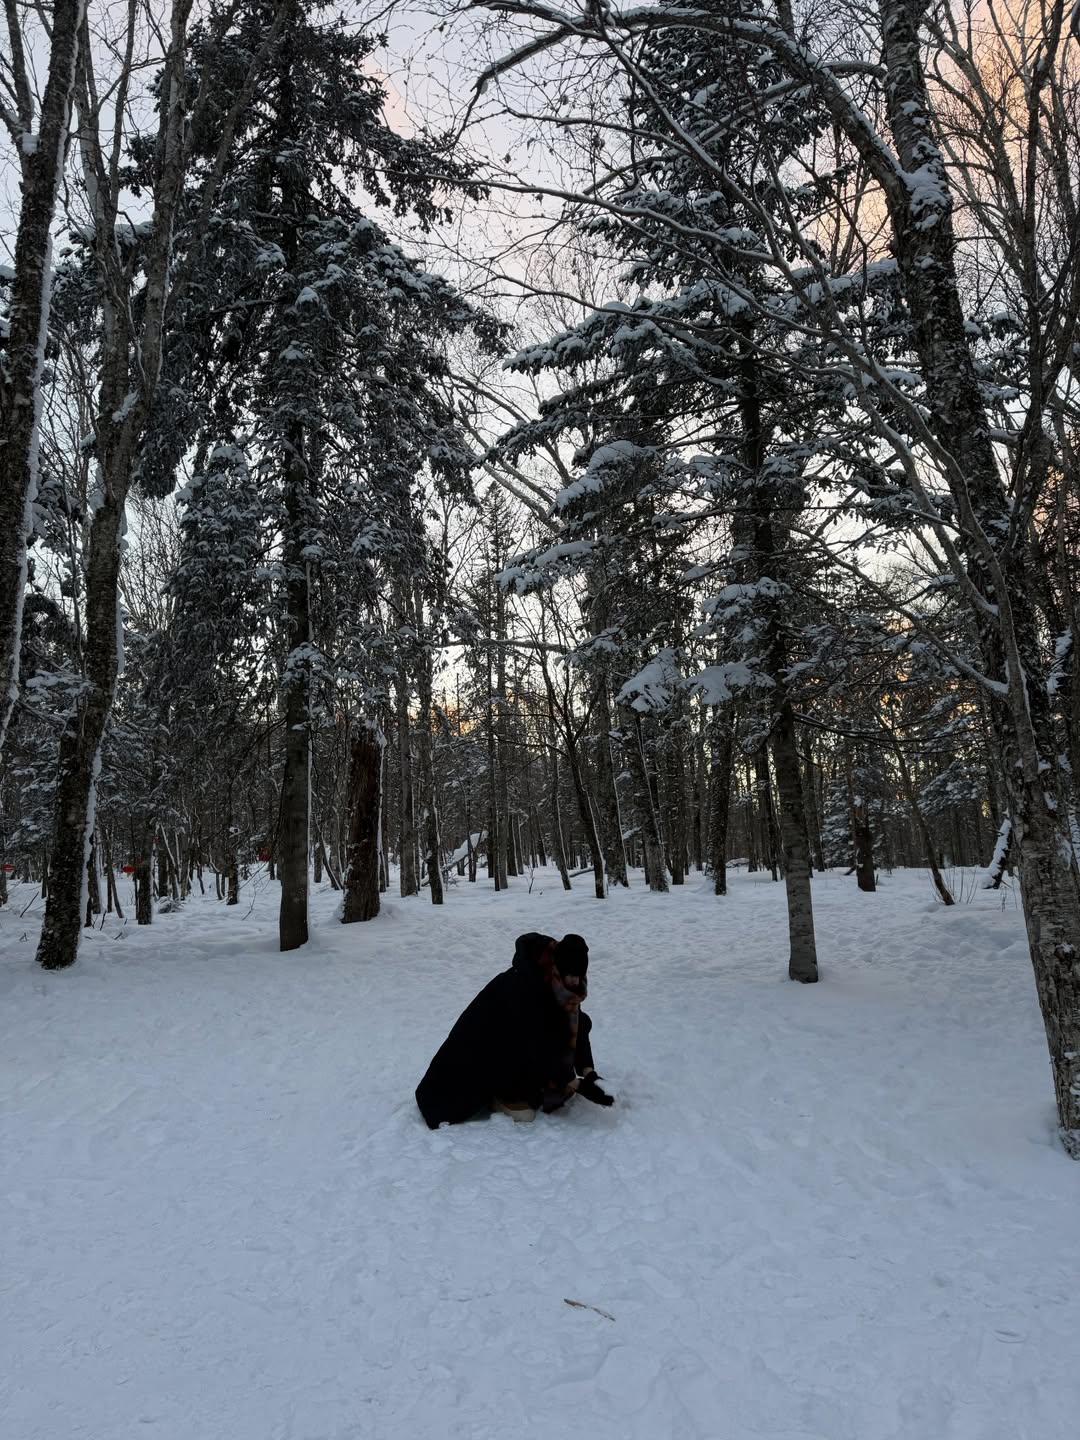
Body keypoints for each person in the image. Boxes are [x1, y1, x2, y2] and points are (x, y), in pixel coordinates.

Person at [415, 931, 615, 1128]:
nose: (576, 982)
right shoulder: (524, 986)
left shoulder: (559, 983)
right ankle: (500, 1095)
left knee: (566, 1031)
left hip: (523, 1041)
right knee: (525, 1113)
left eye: (579, 975)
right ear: (559, 966)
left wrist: (588, 1072)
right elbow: (535, 1043)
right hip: (487, 1047)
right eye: (571, 974)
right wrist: (576, 1084)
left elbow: (576, 1024)